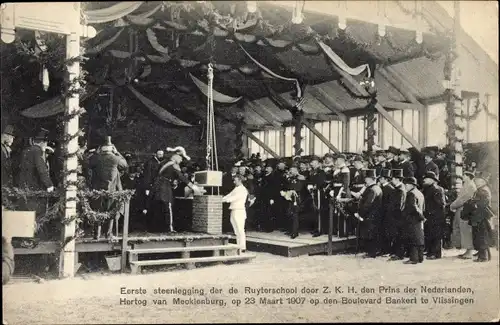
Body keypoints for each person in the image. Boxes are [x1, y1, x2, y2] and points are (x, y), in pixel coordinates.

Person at [152, 147, 204, 232]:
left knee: (159, 206)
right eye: (180, 158)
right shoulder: (173, 165)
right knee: (168, 206)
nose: (180, 161)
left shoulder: (164, 163)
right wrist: (194, 187)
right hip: (164, 187)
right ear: (176, 157)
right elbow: (181, 177)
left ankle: (158, 228)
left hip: (157, 186)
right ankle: (169, 228)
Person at [88, 140, 129, 239]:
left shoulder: (96, 158)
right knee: (111, 210)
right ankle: (108, 233)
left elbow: (88, 164)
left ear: (101, 149)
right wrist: (117, 152)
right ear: (112, 149)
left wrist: (97, 153)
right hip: (112, 189)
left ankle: (96, 234)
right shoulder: (116, 158)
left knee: (98, 211)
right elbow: (125, 165)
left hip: (98, 190)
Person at [18, 128, 55, 237]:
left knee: (27, 213)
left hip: (25, 187)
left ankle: (26, 237)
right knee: (37, 214)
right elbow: (41, 170)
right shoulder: (37, 151)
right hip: (35, 188)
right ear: (44, 142)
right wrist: (49, 185)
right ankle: (34, 237)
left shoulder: (26, 151)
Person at [466, 174, 494, 262]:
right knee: (482, 236)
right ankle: (485, 255)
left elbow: (482, 203)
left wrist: (473, 204)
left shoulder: (482, 191)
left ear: (483, 182)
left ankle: (483, 257)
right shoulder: (482, 190)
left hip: (480, 216)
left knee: (481, 236)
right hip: (481, 216)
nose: (475, 182)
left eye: (477, 181)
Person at [357, 169, 383, 258]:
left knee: (370, 234)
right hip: (374, 215)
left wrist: (361, 213)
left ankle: (371, 253)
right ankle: (371, 252)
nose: (365, 180)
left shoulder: (372, 189)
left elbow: (368, 204)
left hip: (370, 215)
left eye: (366, 178)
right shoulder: (376, 188)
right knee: (371, 233)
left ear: (371, 179)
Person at [450, 171, 477, 259]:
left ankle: (469, 252)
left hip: (465, 210)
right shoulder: (467, 185)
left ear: (469, 176)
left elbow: (463, 199)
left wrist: (453, 205)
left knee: (466, 230)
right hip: (462, 209)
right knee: (463, 230)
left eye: (465, 175)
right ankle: (467, 250)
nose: (463, 176)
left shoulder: (470, 186)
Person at [422, 171, 446, 260]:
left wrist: (432, 213)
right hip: (430, 216)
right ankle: (431, 252)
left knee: (436, 235)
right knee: (430, 234)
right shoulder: (428, 189)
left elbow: (440, 204)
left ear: (432, 180)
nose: (424, 180)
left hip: (436, 216)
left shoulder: (436, 189)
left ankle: (435, 253)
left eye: (426, 178)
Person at [222, 174, 249, 253]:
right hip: (234, 210)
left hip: (239, 211)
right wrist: (222, 198)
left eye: (235, 180)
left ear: (240, 180)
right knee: (236, 230)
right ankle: (239, 246)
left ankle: (242, 247)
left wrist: (224, 200)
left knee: (240, 229)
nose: (234, 182)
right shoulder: (236, 188)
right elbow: (229, 195)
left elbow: (234, 198)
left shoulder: (243, 189)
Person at [402, 177, 425, 264]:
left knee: (413, 239)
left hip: (413, 219)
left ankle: (413, 259)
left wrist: (420, 216)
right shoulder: (419, 193)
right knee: (419, 238)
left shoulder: (411, 194)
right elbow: (422, 207)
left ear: (410, 185)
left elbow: (413, 207)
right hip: (419, 219)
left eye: (406, 185)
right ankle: (420, 257)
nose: (405, 186)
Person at [281, 164, 306, 239]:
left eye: (292, 170)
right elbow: (287, 186)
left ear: (296, 170)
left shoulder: (300, 177)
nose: (290, 171)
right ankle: (291, 230)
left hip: (297, 198)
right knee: (289, 213)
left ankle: (294, 232)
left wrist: (291, 190)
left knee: (295, 214)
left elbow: (299, 187)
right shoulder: (290, 178)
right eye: (290, 170)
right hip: (289, 197)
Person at [388, 169, 407, 261]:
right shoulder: (399, 188)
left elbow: (399, 205)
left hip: (398, 217)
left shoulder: (400, 190)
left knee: (399, 235)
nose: (392, 180)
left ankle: (399, 254)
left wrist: (393, 214)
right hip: (396, 216)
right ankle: (396, 253)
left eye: (393, 179)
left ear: (397, 179)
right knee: (396, 235)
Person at [378, 169, 394, 256]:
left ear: (384, 179)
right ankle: (384, 250)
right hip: (383, 213)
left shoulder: (389, 188)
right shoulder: (384, 187)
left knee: (386, 232)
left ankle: (387, 250)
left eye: (381, 178)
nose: (379, 180)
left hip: (387, 214)